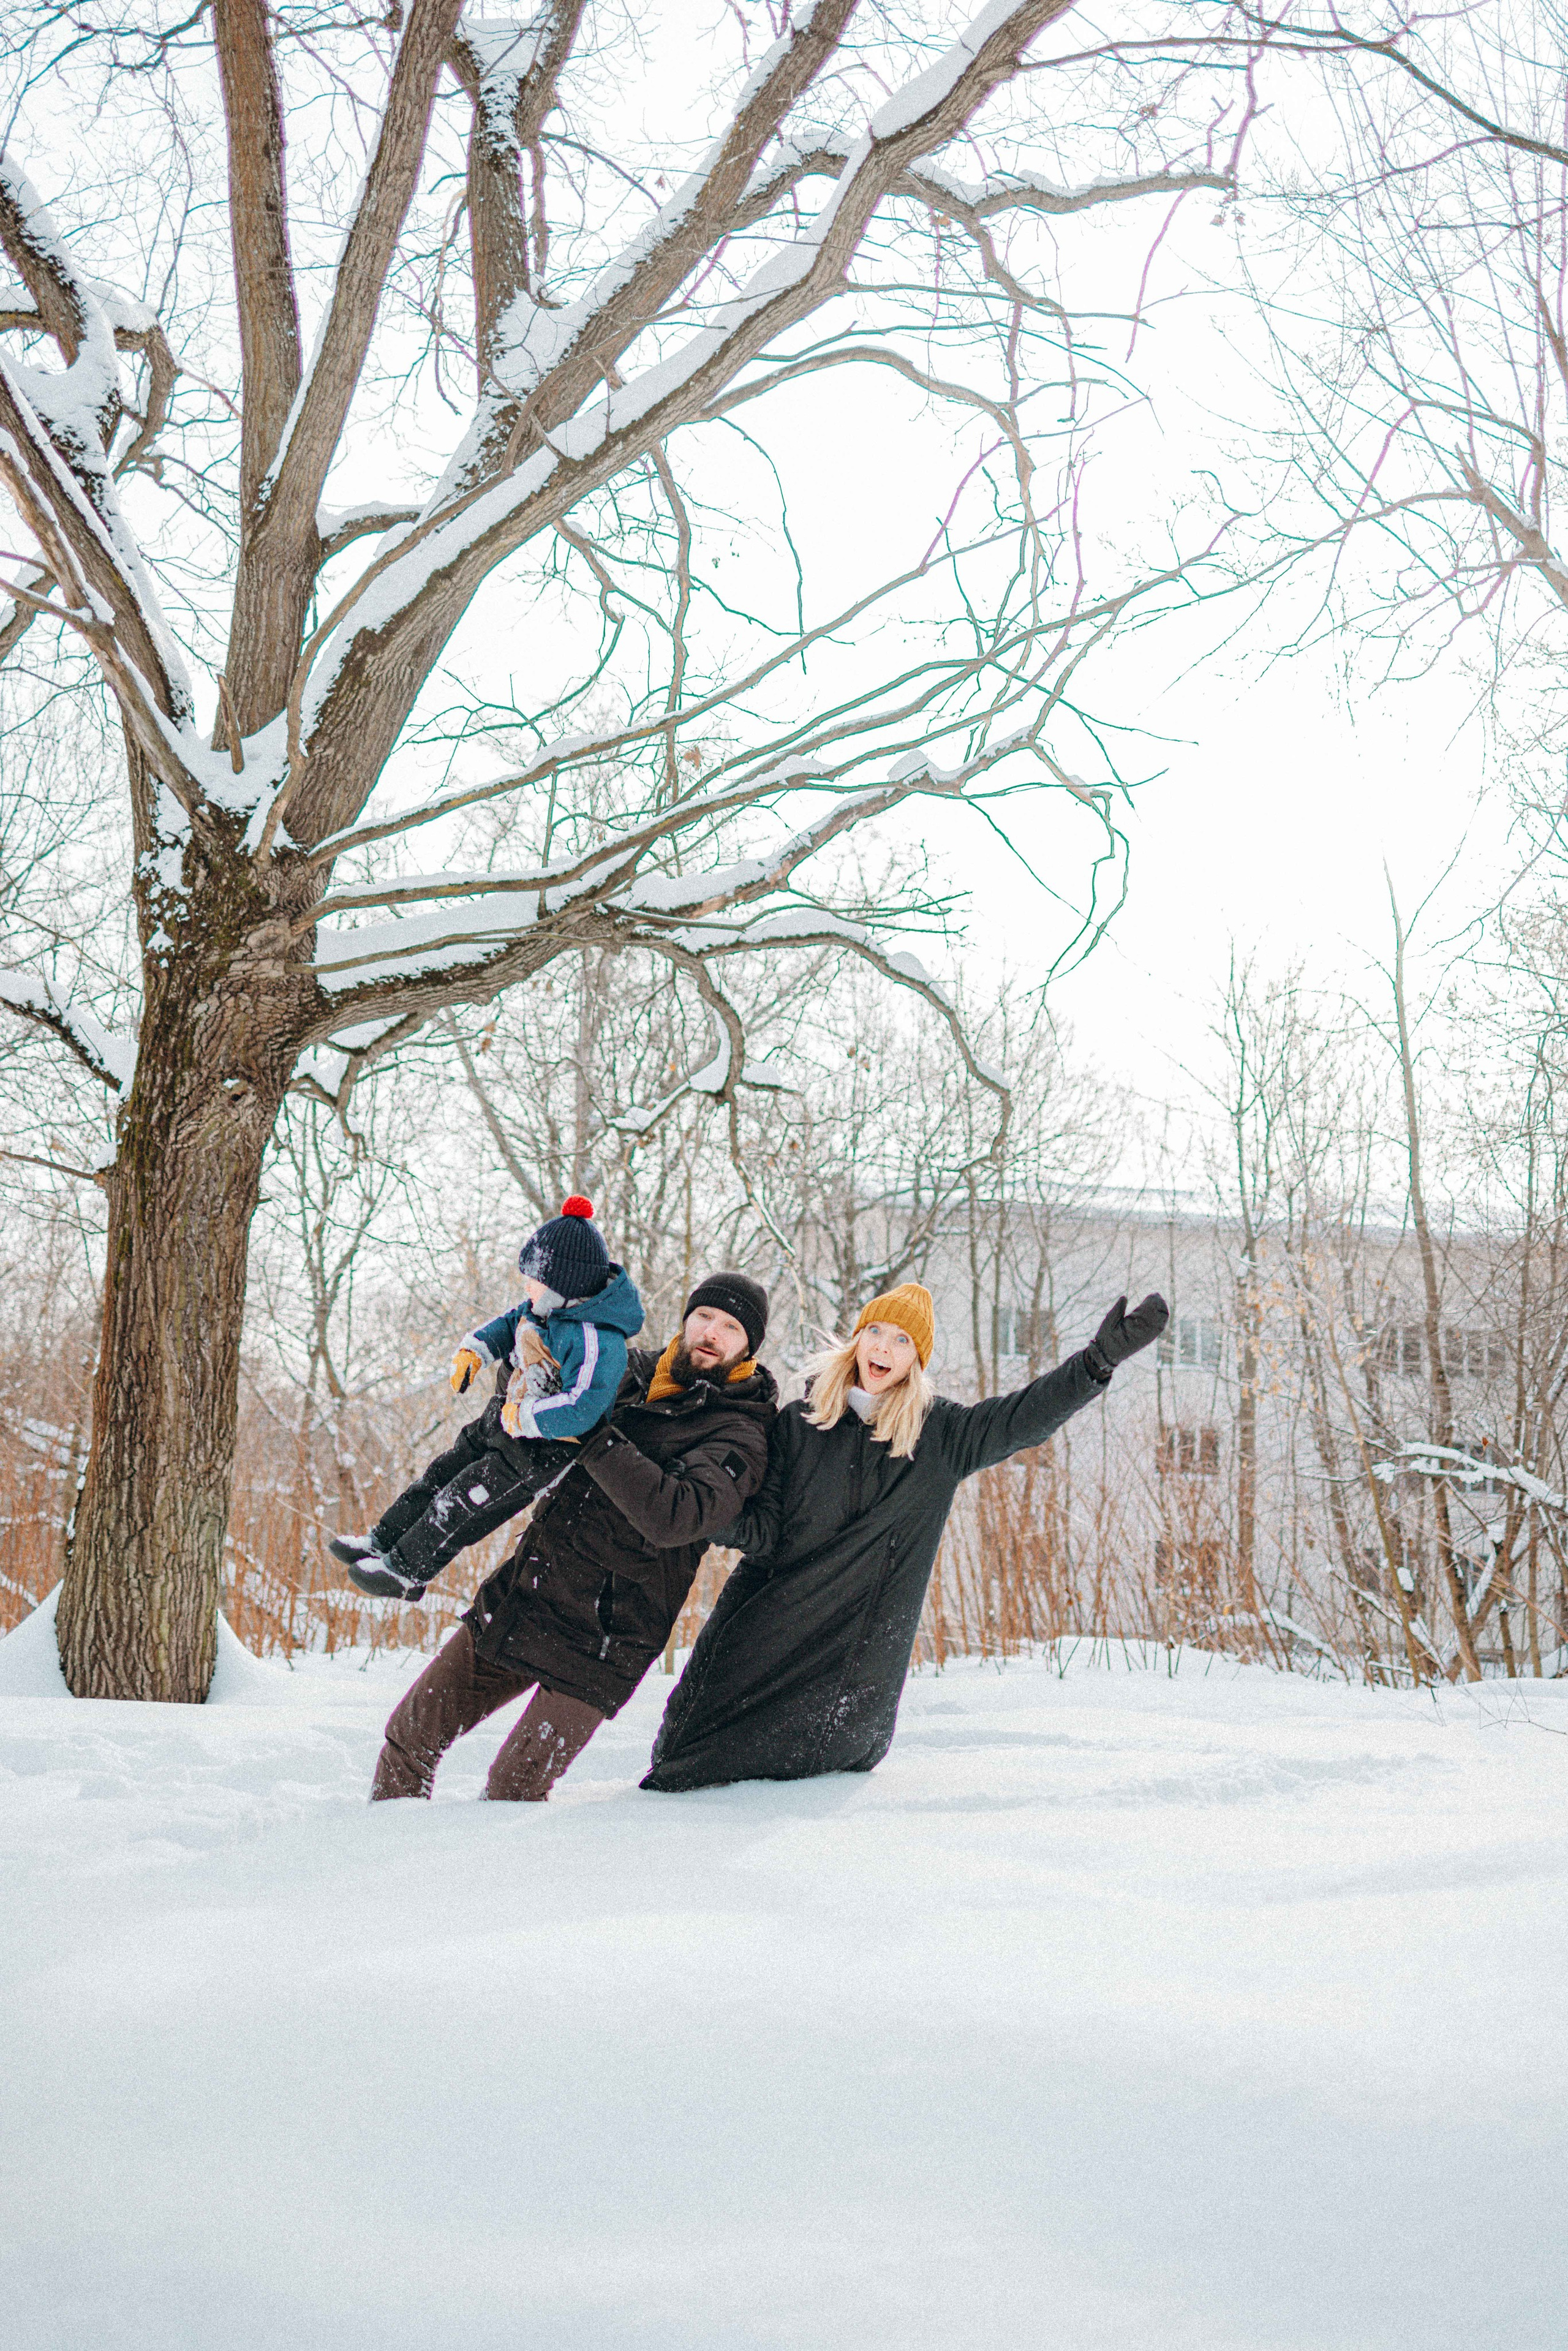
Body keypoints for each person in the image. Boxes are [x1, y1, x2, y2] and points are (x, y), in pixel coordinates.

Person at [642, 1281, 1167, 1793]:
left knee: (794, 1804)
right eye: (875, 1331)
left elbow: (1023, 1418)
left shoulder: (940, 1437)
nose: (884, 1347)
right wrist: (697, 1507)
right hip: (761, 1643)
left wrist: (1096, 1363)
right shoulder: (798, 1425)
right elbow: (763, 1531)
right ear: (857, 1339)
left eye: (902, 1340)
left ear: (916, 1360)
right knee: (679, 1776)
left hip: (849, 1682)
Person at [369, 1271, 777, 1802]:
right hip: (527, 1594)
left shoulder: (741, 1430)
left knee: (514, 1785)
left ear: (748, 1346)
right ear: (686, 1318)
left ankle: (486, 1886)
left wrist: (592, 1434)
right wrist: (522, 1373)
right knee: (410, 1736)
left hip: (608, 1637)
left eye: (731, 1327)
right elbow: (525, 1416)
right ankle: (386, 1864)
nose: (712, 1332)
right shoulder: (623, 1370)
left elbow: (678, 1515)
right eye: (704, 1316)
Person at [331, 1197, 644, 1601]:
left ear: (562, 1283)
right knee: (439, 1475)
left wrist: (525, 1418)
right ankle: (382, 1541)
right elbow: (507, 1324)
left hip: (540, 1449)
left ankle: (405, 1572)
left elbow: (584, 1407)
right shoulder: (541, 1309)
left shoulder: (597, 1338)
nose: (526, 1287)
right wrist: (475, 1351)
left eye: (534, 1279)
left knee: (461, 1501)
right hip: (498, 1422)